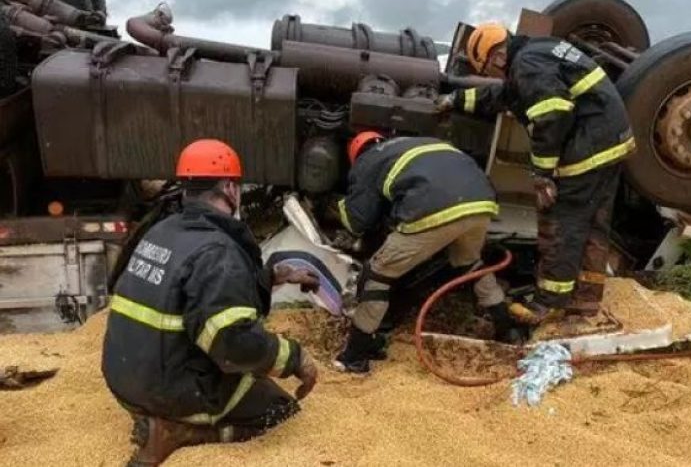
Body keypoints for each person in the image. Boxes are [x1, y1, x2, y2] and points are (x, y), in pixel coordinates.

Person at [102, 139, 320, 466]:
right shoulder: (217, 251)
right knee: (279, 409)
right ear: (230, 188)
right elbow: (233, 345)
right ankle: (183, 431)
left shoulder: (163, 229)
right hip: (167, 391)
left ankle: (153, 419)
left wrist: (271, 277)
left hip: (125, 381)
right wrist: (295, 358)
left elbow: (192, 288)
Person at [436, 23, 634, 325]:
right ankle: (585, 301)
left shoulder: (527, 64)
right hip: (610, 141)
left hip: (589, 145)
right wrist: (456, 100)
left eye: (489, 69)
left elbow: (551, 113)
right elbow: (502, 96)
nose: (493, 75)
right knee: (594, 225)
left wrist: (542, 173)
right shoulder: (537, 52)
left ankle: (547, 304)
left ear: (498, 56)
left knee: (562, 222)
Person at [334, 131, 521, 373]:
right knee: (471, 264)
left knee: (377, 274)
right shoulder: (422, 143)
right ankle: (508, 330)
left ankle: (355, 356)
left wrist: (336, 206)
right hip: (481, 203)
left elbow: (357, 221)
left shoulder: (368, 160)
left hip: (433, 210)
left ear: (356, 155)